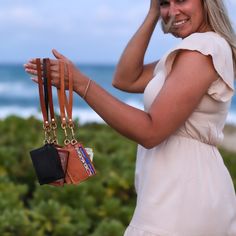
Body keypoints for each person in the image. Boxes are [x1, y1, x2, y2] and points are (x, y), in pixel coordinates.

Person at [24, 0, 236, 235]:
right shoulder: (192, 52)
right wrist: (153, 12)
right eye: (166, 3)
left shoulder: (202, 48)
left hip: (181, 198)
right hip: (182, 192)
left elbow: (151, 131)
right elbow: (126, 79)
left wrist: (80, 83)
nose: (173, 11)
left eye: (182, 0)